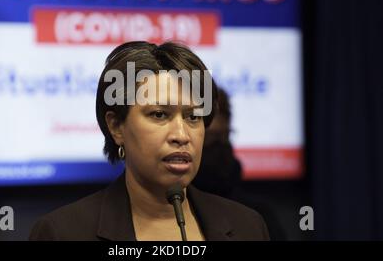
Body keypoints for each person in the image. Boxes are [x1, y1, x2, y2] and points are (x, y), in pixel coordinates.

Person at [29, 41, 269, 241]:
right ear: (116, 126)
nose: (181, 135)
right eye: (159, 114)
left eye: (193, 116)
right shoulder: (63, 234)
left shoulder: (248, 228)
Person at [192, 87, 287, 240]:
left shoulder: (256, 217)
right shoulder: (177, 211)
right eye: (211, 138)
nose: (220, 146)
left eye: (224, 136)